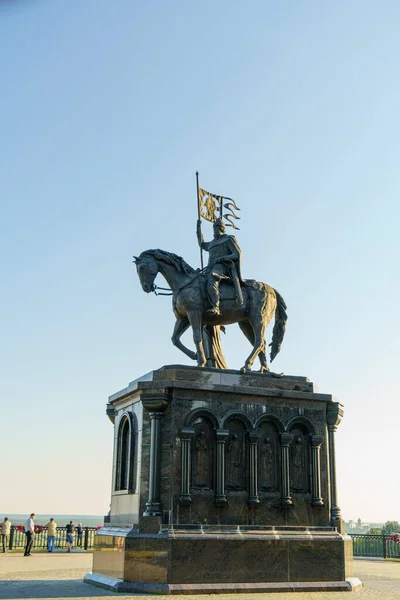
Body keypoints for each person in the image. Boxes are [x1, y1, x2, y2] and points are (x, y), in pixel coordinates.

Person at [197, 217, 243, 315]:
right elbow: (202, 244)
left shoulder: (229, 239)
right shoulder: (212, 243)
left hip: (223, 267)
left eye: (216, 228)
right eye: (214, 228)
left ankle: (216, 307)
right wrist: (198, 229)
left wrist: (223, 258)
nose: (214, 230)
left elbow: (237, 254)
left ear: (222, 228)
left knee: (211, 280)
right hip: (210, 267)